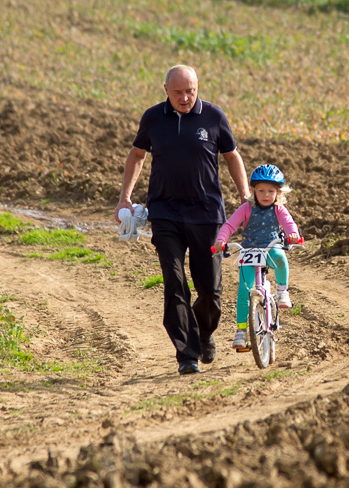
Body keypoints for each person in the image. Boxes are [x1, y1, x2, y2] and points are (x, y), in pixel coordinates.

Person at [114, 65, 250, 375]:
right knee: (174, 284)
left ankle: (204, 335)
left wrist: (244, 195)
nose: (185, 98)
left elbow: (232, 156)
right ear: (165, 91)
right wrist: (125, 197)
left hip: (207, 214)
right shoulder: (153, 118)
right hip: (165, 213)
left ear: (198, 88)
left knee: (211, 290)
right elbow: (137, 155)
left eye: (190, 91)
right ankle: (186, 354)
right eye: (178, 92)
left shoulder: (213, 117)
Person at [213, 164, 301, 350]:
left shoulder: (279, 209)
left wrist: (293, 234)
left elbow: (289, 223)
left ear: (278, 192)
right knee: (244, 291)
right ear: (253, 190)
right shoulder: (246, 208)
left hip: (270, 248)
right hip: (248, 251)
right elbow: (230, 225)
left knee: (280, 257)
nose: (266, 195)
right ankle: (241, 331)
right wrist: (221, 239)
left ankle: (282, 290)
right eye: (261, 190)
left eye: (271, 191)